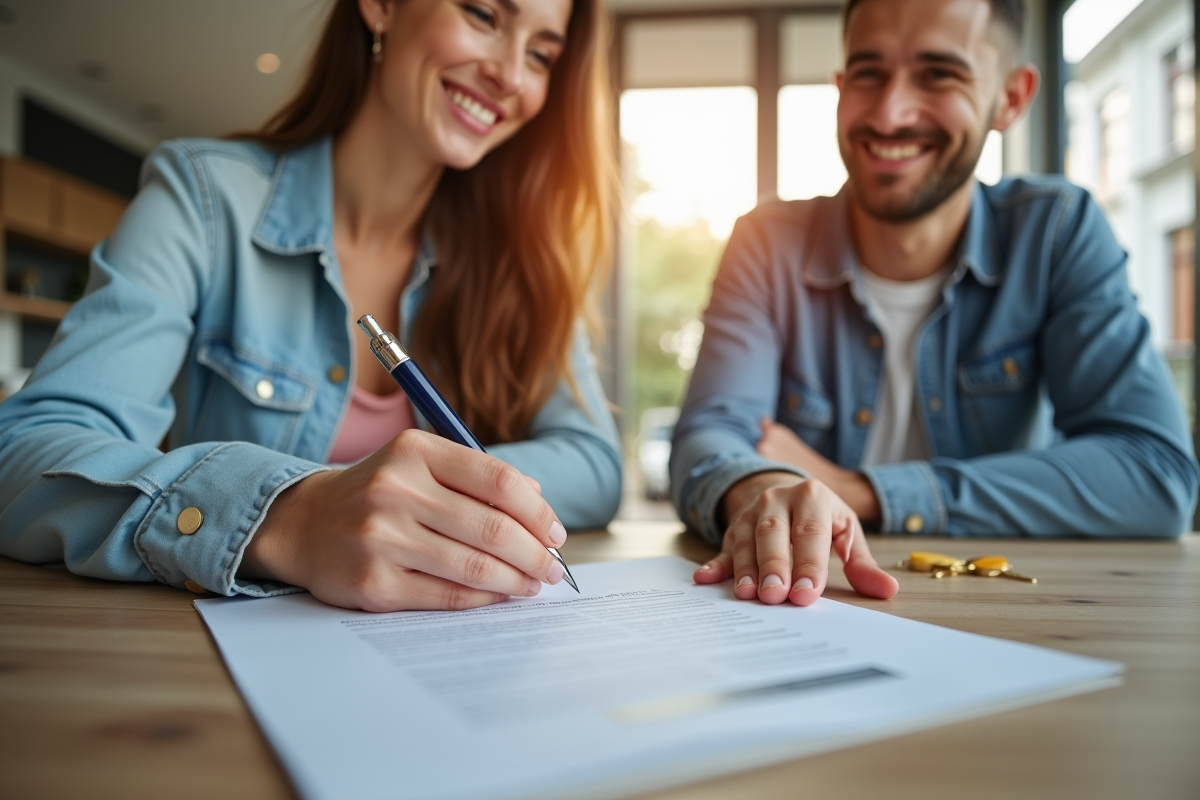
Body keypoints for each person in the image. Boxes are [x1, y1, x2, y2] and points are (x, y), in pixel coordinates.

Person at [0, 0, 622, 612]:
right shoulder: (204, 201)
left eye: (541, 56)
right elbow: (25, 455)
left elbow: (594, 462)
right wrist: (293, 508)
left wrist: (413, 497)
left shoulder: (521, 262)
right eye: (483, 16)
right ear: (381, 7)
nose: (511, 75)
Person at [672, 0, 1199, 607]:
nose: (891, 113)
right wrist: (766, 486)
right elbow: (710, 436)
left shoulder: (1057, 231)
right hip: (823, 606)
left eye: (938, 75)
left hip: (1004, 608)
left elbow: (1154, 474)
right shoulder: (766, 241)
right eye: (868, 74)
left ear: (1012, 98)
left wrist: (862, 492)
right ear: (840, 89)